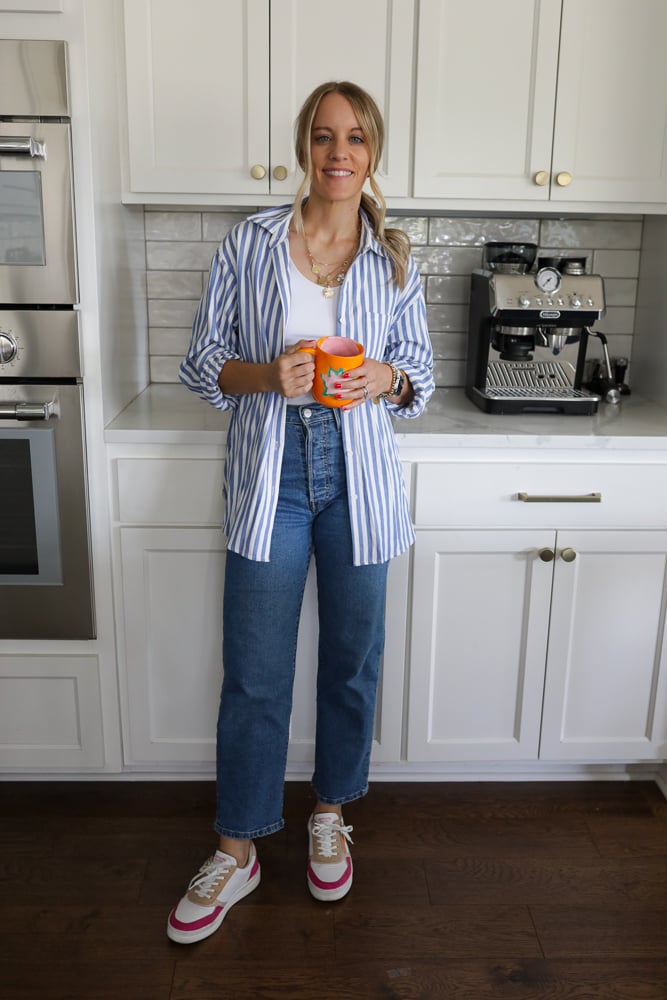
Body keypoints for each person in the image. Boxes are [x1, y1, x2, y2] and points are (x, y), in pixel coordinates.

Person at [167, 80, 434, 945]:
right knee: (255, 674)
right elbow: (202, 361)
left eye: (354, 139)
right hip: (269, 472)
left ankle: (328, 813)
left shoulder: (393, 257)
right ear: (302, 148)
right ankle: (236, 848)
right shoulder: (250, 243)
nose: (337, 154)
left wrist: (383, 378)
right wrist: (265, 375)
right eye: (323, 137)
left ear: (372, 153)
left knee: (352, 663)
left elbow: (418, 377)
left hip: (359, 474)